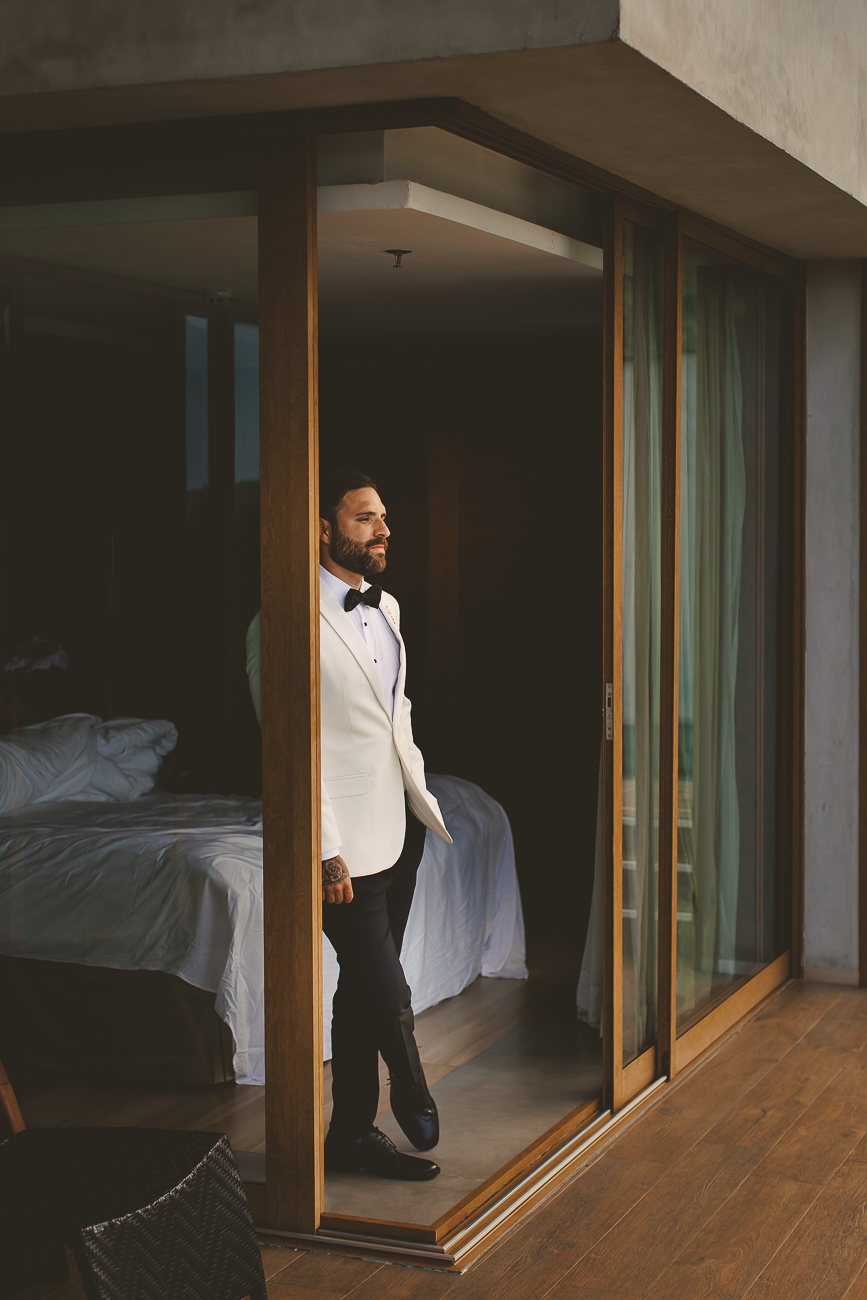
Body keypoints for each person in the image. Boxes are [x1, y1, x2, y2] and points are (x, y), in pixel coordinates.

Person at [246, 469, 452, 1182]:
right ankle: (413, 1088)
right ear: (322, 529)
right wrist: (324, 848)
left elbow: (396, 712)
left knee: (359, 987)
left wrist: (417, 792)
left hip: (398, 827)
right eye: (365, 518)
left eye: (383, 517)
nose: (383, 530)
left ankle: (352, 1136)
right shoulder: (283, 619)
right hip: (340, 849)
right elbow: (288, 747)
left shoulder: (386, 606)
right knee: (387, 991)